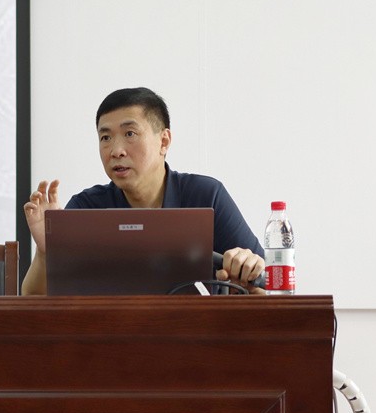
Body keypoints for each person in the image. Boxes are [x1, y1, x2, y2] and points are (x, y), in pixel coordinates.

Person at [21, 86, 266, 295]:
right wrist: (46, 253)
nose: (116, 150)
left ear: (164, 141)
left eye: (130, 134)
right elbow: (34, 299)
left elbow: (268, 284)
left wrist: (249, 271)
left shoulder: (206, 195)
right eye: (105, 138)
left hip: (193, 332)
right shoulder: (87, 208)